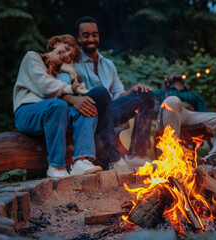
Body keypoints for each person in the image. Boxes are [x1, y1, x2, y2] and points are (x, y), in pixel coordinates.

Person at [58, 16, 155, 168]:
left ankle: (136, 154)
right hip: (88, 115)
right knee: (101, 93)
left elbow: (118, 94)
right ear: (78, 38)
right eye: (86, 35)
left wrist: (132, 91)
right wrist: (74, 100)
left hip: (110, 113)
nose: (91, 39)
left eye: (94, 34)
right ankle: (113, 158)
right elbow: (60, 90)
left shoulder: (108, 64)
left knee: (146, 95)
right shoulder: (72, 61)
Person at [13, 34, 102, 178]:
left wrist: (72, 71)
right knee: (58, 105)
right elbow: (45, 88)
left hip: (55, 115)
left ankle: (81, 161)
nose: (66, 55)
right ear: (55, 43)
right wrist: (73, 90)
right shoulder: (33, 57)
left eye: (70, 56)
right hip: (27, 112)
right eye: (66, 48)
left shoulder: (61, 74)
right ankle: (56, 166)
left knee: (87, 106)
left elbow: (83, 93)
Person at [154, 72, 216, 165]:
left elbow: (203, 113)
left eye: (179, 73)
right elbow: (152, 109)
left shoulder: (194, 95)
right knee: (172, 100)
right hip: (166, 116)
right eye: (173, 73)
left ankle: (214, 155)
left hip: (189, 116)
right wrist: (178, 104)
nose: (176, 74)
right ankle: (173, 154)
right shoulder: (160, 92)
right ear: (167, 82)